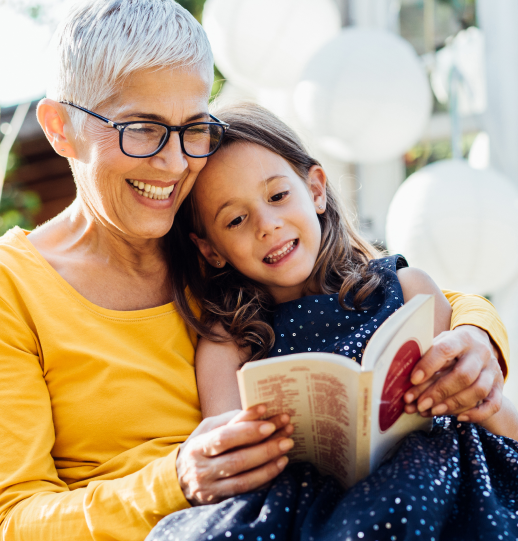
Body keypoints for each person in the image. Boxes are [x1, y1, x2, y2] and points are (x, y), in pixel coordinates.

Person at [0, 1, 509, 540]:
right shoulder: (16, 287)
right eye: (142, 130)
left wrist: (478, 336)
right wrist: (175, 480)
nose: (174, 165)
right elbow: (15, 519)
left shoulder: (216, 236)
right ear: (60, 127)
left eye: (193, 127)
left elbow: (396, 294)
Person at [146, 103, 518, 541]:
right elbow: (230, 467)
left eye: (278, 196)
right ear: (211, 250)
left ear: (316, 189)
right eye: (236, 219)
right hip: (302, 503)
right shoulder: (227, 344)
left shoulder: (407, 289)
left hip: (429, 479)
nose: (267, 225)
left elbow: (481, 403)